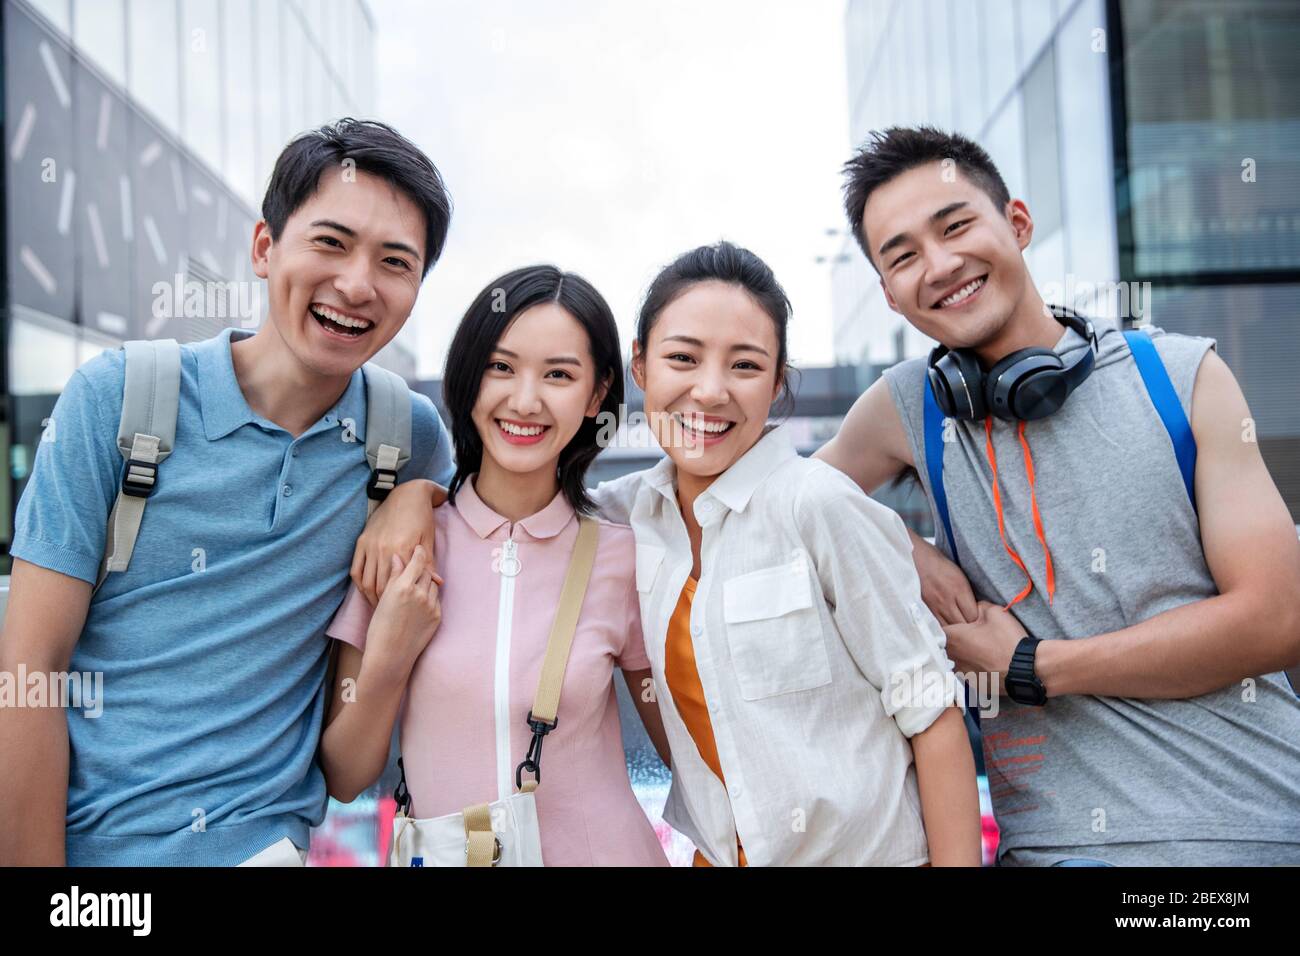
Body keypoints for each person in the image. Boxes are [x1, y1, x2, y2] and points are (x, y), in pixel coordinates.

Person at [358, 242, 983, 866]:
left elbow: (933, 716)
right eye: (682, 358)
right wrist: (414, 494)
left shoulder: (819, 505)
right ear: (639, 368)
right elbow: (513, 509)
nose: (709, 392)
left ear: (778, 381)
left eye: (744, 366)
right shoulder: (624, 516)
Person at [816, 125, 1300, 865]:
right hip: (1056, 852)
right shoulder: (906, 408)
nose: (940, 266)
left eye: (956, 227)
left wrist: (1034, 666)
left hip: (1253, 833)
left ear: (1017, 222)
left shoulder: (1180, 376)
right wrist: (898, 548)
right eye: (904, 255)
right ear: (887, 293)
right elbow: (784, 499)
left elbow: (1277, 617)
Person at [0, 118, 456, 866]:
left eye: (395, 261)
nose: (356, 284)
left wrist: (417, 494)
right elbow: (28, 673)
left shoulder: (406, 439)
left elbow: (498, 504)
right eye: (331, 242)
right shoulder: (118, 398)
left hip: (267, 850)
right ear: (264, 248)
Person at [321, 266, 670, 866]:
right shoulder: (401, 549)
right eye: (501, 367)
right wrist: (391, 656)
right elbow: (347, 775)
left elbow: (683, 747)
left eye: (558, 374)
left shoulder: (623, 555)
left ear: (595, 395)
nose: (525, 400)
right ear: (468, 375)